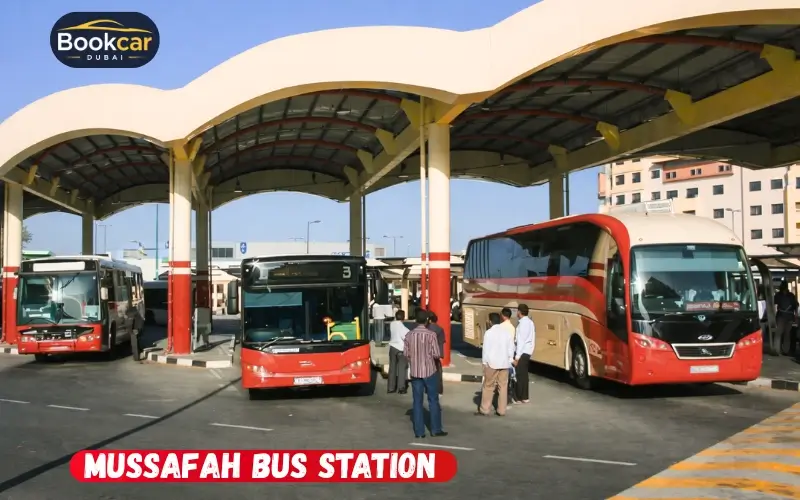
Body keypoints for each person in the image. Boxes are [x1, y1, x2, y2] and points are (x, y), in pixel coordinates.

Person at [404, 309, 448, 438]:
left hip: (416, 372)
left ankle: (419, 432)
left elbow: (406, 354)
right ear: (427, 320)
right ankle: (435, 429)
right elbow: (436, 354)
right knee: (433, 400)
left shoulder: (409, 335)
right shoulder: (431, 335)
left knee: (417, 402)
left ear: (416, 320)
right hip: (429, 371)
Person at [476, 312, 514, 417]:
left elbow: (486, 349)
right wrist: (510, 359)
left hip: (492, 363)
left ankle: (485, 409)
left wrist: (484, 363)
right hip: (504, 363)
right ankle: (502, 410)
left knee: (488, 386)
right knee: (503, 387)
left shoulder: (489, 333)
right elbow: (511, 348)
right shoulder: (507, 333)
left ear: (490, 321)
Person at [513, 304, 535, 404]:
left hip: (522, 352)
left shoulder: (523, 324)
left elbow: (521, 341)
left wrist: (517, 357)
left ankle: (519, 397)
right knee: (524, 375)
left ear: (519, 312)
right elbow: (532, 339)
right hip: (527, 351)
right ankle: (525, 397)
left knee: (519, 375)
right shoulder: (530, 323)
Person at [387, 310, 410, 394]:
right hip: (400, 348)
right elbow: (406, 337)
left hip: (392, 347)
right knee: (402, 368)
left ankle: (391, 388)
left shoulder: (392, 324)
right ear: (403, 318)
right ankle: (401, 387)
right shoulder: (403, 327)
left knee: (392, 368)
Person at [774, 281, 799, 355]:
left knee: (784, 333)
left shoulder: (790, 295)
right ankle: (779, 350)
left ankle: (782, 350)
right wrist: (796, 315)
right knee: (782, 333)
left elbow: (796, 305)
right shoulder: (782, 295)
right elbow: (796, 305)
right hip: (783, 316)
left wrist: (796, 315)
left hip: (786, 317)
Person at [427, 311, 446, 396]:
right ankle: (439, 390)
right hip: (436, 354)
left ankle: (428, 389)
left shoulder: (426, 329)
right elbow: (442, 342)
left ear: (429, 320)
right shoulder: (440, 329)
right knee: (438, 373)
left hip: (427, 354)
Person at [500, 307, 516, 401]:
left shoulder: (500, 326)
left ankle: (502, 397)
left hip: (501, 355)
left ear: (503, 315)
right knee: (508, 378)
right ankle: (508, 396)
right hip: (509, 355)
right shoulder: (512, 328)